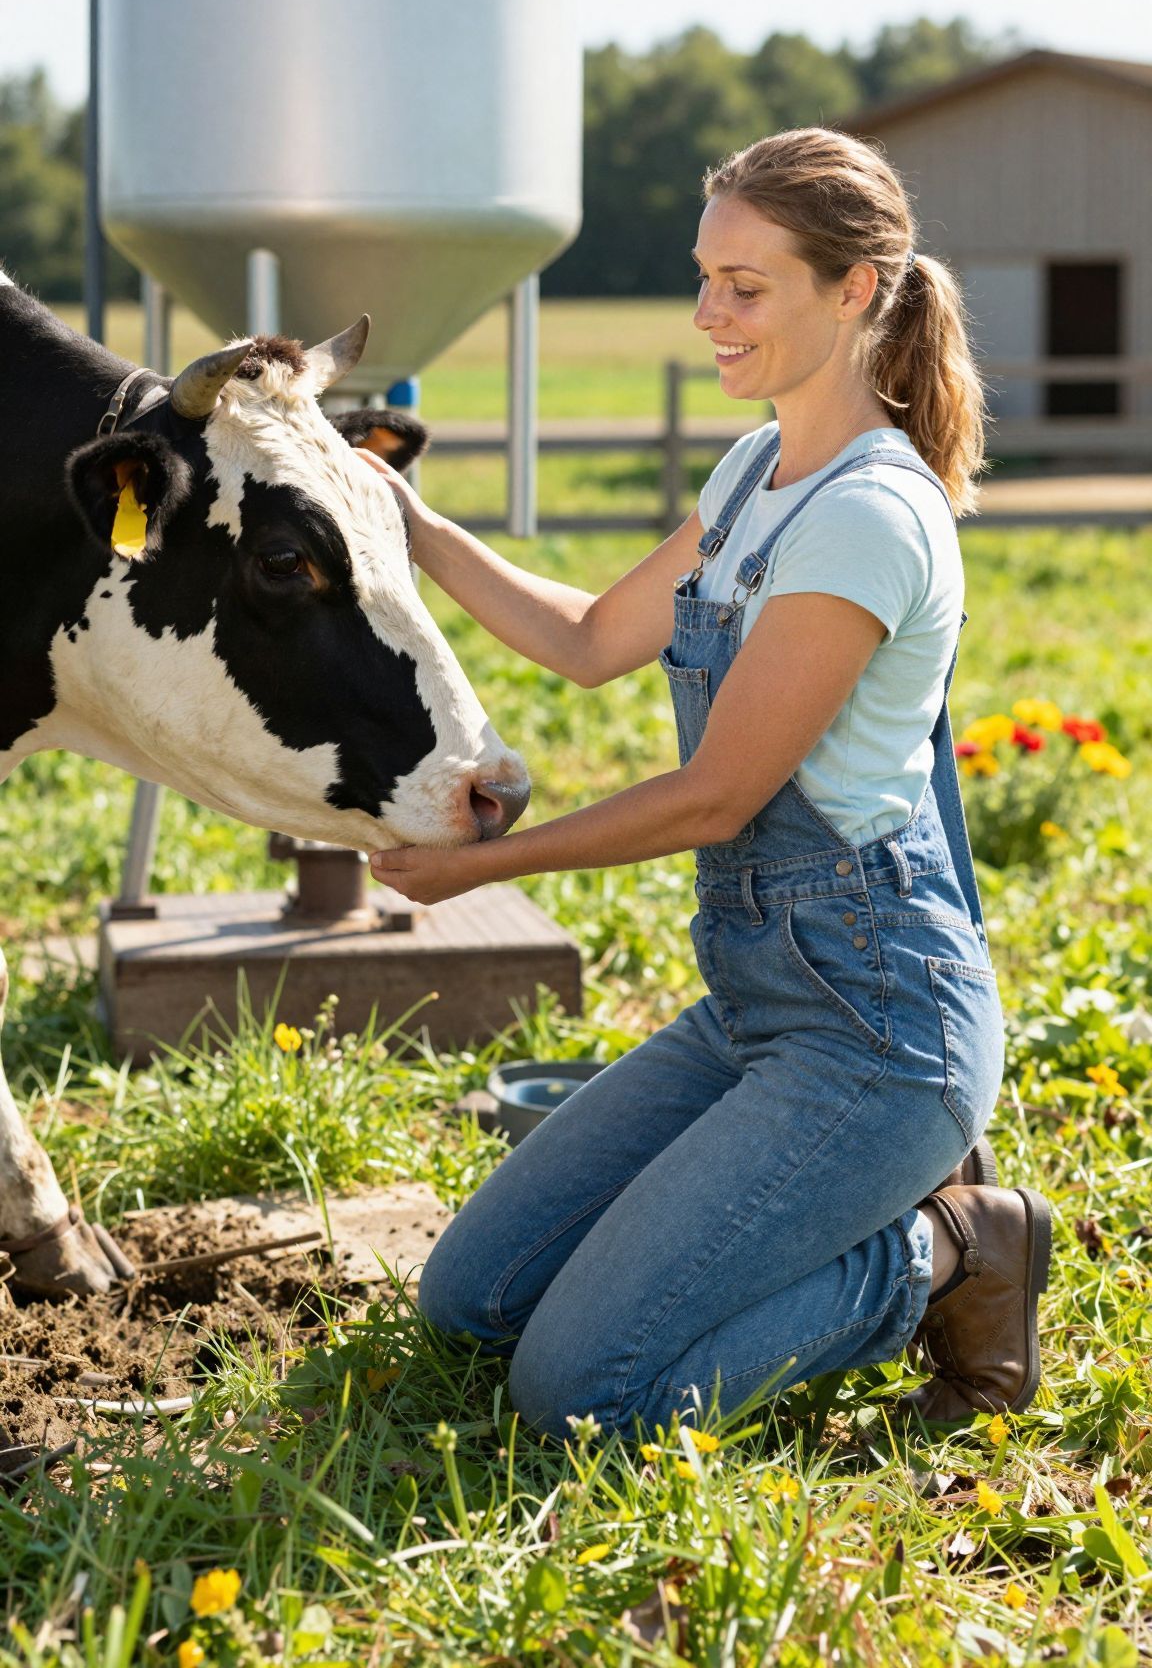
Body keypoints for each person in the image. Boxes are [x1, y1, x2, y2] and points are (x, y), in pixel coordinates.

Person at [363, 127, 1051, 1439]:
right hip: (756, 1004)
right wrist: (411, 525)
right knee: (472, 1299)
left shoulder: (869, 514)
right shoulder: (750, 477)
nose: (706, 313)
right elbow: (585, 641)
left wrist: (476, 871)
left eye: (746, 285)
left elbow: (714, 799)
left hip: (877, 1026)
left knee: (584, 1395)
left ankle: (948, 1250)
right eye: (705, 276)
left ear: (855, 291)